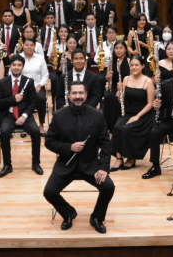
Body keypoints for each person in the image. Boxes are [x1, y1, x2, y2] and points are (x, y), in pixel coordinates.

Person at [44, 80, 115, 233]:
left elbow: (106, 144)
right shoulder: (58, 115)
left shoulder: (97, 115)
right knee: (49, 192)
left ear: (86, 95)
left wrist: (103, 168)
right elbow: (49, 142)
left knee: (108, 187)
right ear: (69, 95)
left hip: (90, 165)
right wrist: (69, 147)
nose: (78, 96)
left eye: (81, 93)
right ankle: (68, 213)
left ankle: (97, 217)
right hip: (66, 164)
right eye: (74, 93)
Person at [0, 55, 43, 176]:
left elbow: (33, 102)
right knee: (4, 132)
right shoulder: (2, 82)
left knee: (36, 131)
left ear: (23, 66)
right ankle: (7, 165)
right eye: (14, 65)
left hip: (24, 115)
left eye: (19, 65)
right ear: (10, 66)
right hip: (9, 115)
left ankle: (36, 163)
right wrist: (13, 99)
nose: (16, 68)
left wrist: (24, 116)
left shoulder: (29, 81)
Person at [111, 55, 155, 170]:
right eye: (132, 65)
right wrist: (119, 93)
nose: (134, 67)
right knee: (117, 127)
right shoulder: (126, 79)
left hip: (143, 115)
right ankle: (119, 159)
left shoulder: (148, 81)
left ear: (142, 66)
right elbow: (122, 100)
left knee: (126, 129)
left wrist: (137, 116)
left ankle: (131, 158)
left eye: (136, 65)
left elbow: (150, 104)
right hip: (128, 113)